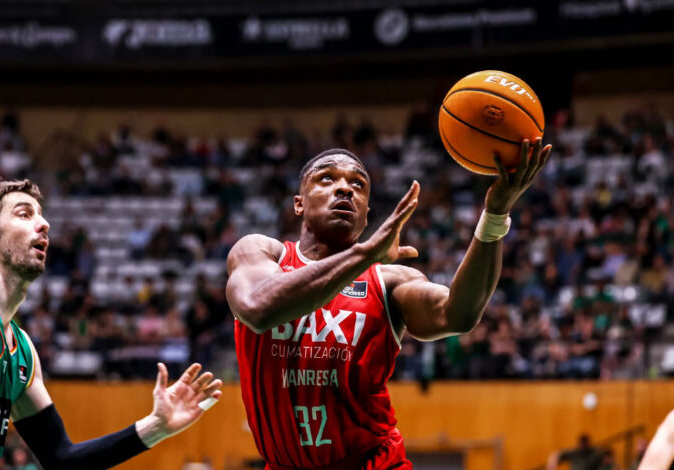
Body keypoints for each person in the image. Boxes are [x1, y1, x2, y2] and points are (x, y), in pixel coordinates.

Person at [227, 140, 551, 469]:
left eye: (358, 184)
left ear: (366, 214)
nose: (345, 188)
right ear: (299, 203)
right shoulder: (261, 253)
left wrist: (495, 215)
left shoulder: (388, 281)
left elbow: (458, 315)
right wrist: (366, 253)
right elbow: (257, 308)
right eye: (327, 178)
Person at [0, 180, 222, 469]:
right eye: (24, 214)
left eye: (41, 215)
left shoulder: (23, 352)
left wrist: (156, 427)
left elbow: (61, 459)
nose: (44, 224)